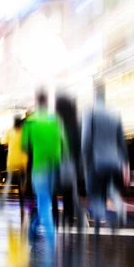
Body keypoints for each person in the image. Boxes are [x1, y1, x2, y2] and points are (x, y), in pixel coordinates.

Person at [21, 90, 67, 243]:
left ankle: (51, 239)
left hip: (39, 166)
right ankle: (33, 227)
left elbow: (24, 147)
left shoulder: (30, 122)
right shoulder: (56, 119)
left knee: (44, 201)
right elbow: (64, 142)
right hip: (55, 166)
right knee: (45, 200)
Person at [82, 87, 128, 235]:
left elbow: (86, 138)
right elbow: (122, 140)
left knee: (94, 191)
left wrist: (85, 159)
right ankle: (120, 207)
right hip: (115, 160)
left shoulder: (90, 112)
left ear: (94, 95)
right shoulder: (114, 113)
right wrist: (125, 162)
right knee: (109, 186)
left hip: (97, 159)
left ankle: (102, 217)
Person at [54, 94, 83, 229]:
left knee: (59, 190)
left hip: (59, 161)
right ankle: (70, 218)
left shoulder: (57, 125)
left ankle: (60, 218)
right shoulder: (75, 125)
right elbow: (79, 146)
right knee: (70, 192)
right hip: (72, 162)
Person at [0, 116, 28, 216]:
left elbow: (4, 143)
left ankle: (3, 199)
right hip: (22, 161)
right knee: (22, 182)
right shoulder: (25, 132)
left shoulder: (9, 131)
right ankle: (22, 199)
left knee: (9, 181)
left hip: (12, 161)